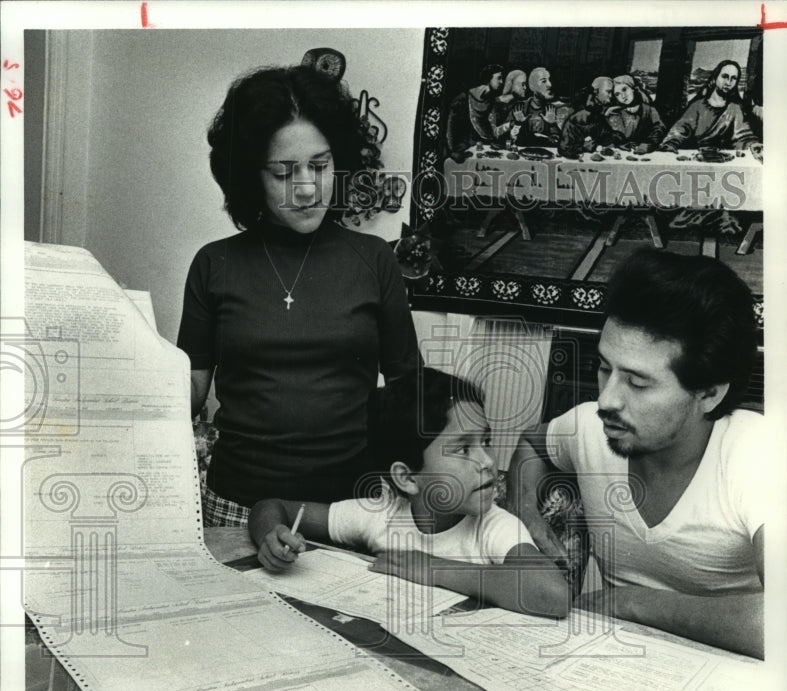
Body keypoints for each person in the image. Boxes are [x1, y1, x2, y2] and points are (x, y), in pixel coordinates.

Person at [177, 66, 420, 526]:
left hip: (347, 511)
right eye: (284, 173)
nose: (307, 188)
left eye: (321, 166)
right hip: (235, 505)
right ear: (251, 177)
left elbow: (410, 390)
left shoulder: (374, 260)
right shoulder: (214, 264)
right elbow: (190, 391)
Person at [506, 248, 764, 658]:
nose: (606, 400)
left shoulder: (760, 455)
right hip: (611, 668)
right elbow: (531, 444)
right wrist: (528, 514)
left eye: (638, 383)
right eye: (605, 368)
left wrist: (632, 603)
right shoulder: (591, 426)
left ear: (710, 393)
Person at [251, 367, 570, 619]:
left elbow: (553, 594)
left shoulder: (493, 525)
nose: (488, 462)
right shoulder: (381, 515)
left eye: (485, 442)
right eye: (463, 448)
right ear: (406, 478)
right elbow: (270, 506)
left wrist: (433, 568)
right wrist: (273, 537)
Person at [660, 60, 760, 152]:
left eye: (733, 78)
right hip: (697, 160)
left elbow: (743, 137)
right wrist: (670, 145)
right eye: (724, 76)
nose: (728, 82)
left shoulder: (735, 108)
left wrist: (752, 145)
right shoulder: (697, 106)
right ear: (715, 77)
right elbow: (679, 131)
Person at [445, 64, 505, 158]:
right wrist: (453, 150)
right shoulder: (464, 99)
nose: (502, 82)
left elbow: (491, 127)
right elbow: (451, 126)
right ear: (488, 79)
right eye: (499, 78)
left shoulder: (491, 100)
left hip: (483, 147)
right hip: (464, 149)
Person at [605, 74, 666, 153]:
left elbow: (659, 129)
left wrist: (648, 144)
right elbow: (610, 134)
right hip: (622, 153)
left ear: (633, 89)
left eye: (624, 89)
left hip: (645, 151)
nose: (623, 96)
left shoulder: (649, 110)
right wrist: (619, 143)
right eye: (617, 94)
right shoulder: (614, 113)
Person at [558, 76, 615, 158]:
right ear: (596, 91)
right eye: (608, 91)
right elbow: (565, 148)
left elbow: (607, 138)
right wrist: (586, 147)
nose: (611, 96)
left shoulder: (598, 116)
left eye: (612, 92)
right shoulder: (581, 116)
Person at [518, 67, 564, 146]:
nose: (550, 85)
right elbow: (506, 138)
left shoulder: (558, 109)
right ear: (532, 86)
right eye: (544, 81)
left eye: (550, 80)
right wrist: (517, 123)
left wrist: (552, 125)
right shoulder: (519, 108)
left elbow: (560, 142)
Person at [489, 69, 527, 142]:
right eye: (522, 84)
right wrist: (511, 124)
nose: (525, 88)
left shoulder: (520, 104)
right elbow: (493, 133)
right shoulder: (492, 104)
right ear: (512, 84)